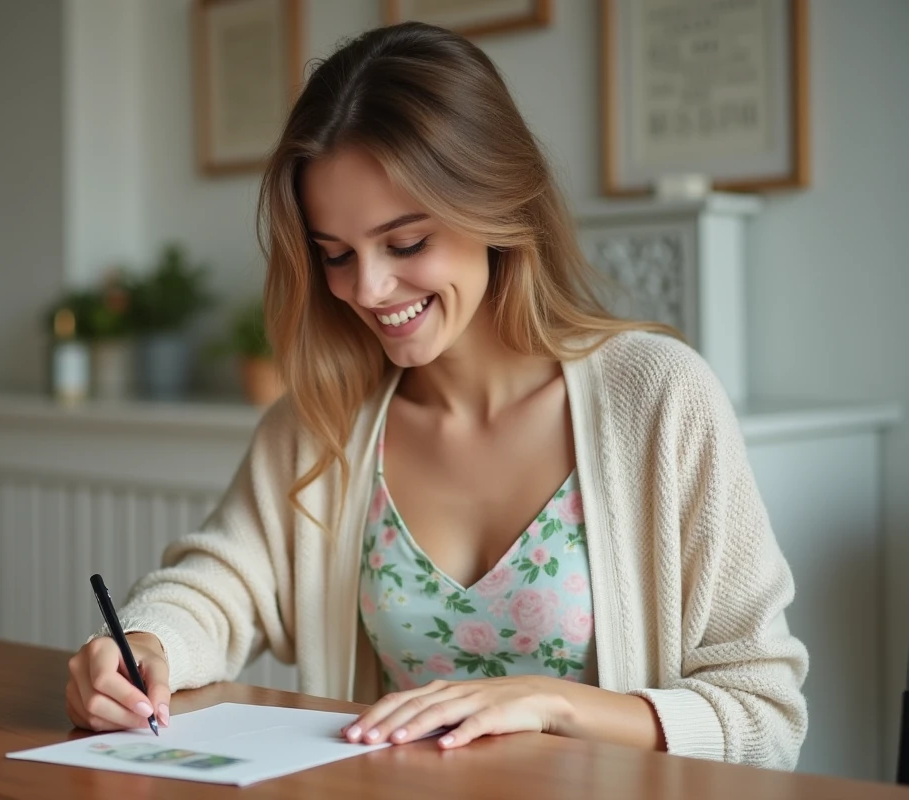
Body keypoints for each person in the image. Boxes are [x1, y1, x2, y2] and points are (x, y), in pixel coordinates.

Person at [65, 21, 807, 770]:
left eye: (407, 243)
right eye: (336, 255)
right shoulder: (324, 418)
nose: (368, 288)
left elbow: (765, 716)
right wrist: (146, 643)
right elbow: (217, 587)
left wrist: (547, 704)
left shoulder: (658, 397)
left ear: (498, 204)